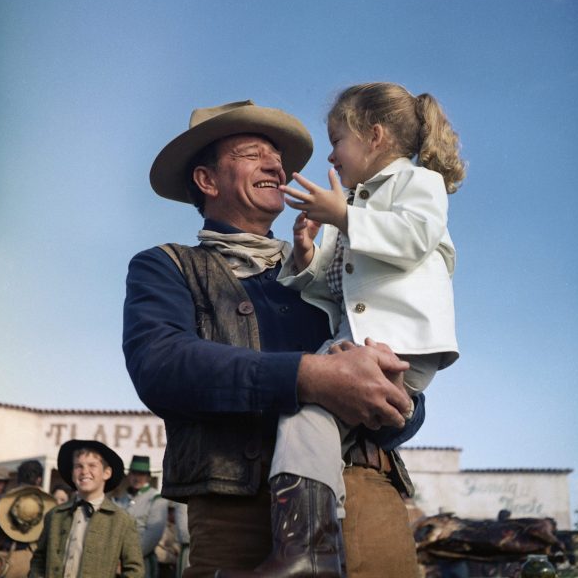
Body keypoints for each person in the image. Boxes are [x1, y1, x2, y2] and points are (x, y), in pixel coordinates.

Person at [123, 99, 426, 578]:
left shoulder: (333, 267)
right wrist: (310, 376)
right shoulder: (165, 265)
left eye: (277, 157)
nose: (275, 164)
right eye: (251, 153)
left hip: (369, 502)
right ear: (207, 180)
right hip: (235, 510)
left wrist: (398, 399)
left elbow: (398, 369)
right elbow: (161, 364)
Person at [233, 81, 466, 575]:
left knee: (303, 412)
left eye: (337, 140)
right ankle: (309, 545)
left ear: (374, 136)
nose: (332, 156)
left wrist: (344, 214)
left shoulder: (415, 184)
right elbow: (335, 289)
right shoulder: (355, 206)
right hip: (365, 340)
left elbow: (413, 239)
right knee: (306, 420)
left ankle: (306, 551)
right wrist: (307, 257)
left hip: (403, 343)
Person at [29, 439, 144, 578]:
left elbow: (134, 570)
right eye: (78, 466)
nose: (84, 471)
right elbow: (39, 560)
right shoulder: (55, 516)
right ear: (72, 473)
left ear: (106, 473)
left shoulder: (122, 521)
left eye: (92, 465)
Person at [0, 460, 49, 578]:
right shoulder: (46, 506)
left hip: (1, 566)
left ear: (18, 479)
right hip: (30, 567)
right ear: (39, 480)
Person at [113, 455, 168, 578]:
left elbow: (153, 535)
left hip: (142, 559)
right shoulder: (121, 500)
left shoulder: (156, 499)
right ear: (129, 475)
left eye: (141, 474)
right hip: (117, 561)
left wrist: (130, 557)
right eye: (134, 473)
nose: (137, 478)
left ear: (148, 477)